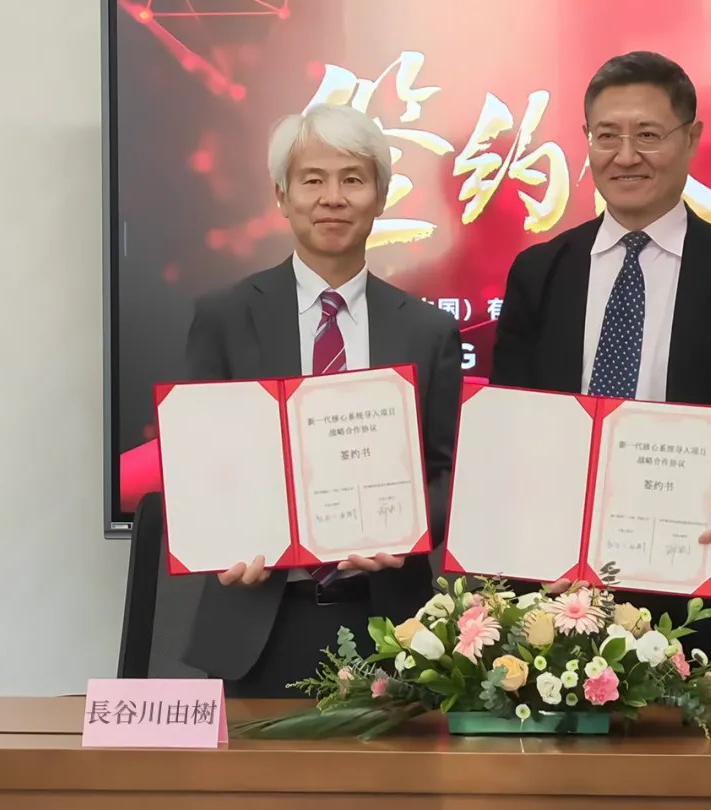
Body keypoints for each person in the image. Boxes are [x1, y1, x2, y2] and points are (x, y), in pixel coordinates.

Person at [490, 51, 711, 666]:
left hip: (699, 593)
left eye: (649, 135)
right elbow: (508, 427)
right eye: (607, 136)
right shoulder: (539, 273)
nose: (626, 155)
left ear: (691, 139)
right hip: (553, 597)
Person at [180, 103, 463, 697]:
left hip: (392, 624)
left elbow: (446, 472)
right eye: (312, 180)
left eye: (353, 180)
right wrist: (222, 539)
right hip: (257, 621)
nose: (332, 198)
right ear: (282, 196)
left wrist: (409, 529)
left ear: (380, 197)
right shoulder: (225, 317)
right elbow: (202, 467)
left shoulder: (428, 331)